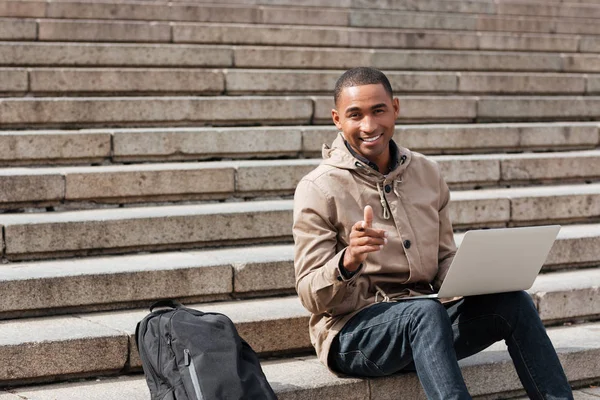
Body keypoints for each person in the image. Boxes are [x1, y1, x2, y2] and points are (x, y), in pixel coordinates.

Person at [292, 67, 573, 400]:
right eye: (356, 115)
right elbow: (310, 294)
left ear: (395, 108)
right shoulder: (318, 188)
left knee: (513, 303)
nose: (369, 126)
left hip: (428, 321)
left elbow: (442, 259)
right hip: (353, 335)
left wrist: (477, 274)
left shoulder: (426, 172)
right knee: (424, 314)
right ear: (337, 119)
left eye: (378, 110)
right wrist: (348, 260)